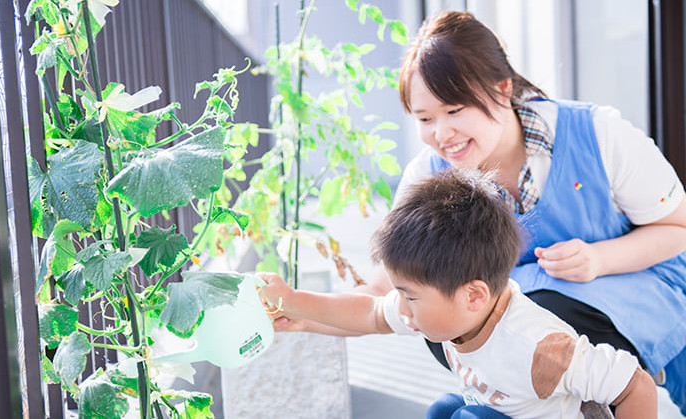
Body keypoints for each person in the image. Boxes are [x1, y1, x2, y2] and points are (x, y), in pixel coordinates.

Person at [275, 10, 686, 413]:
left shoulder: (598, 133)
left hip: (636, 286)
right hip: (518, 324)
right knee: (438, 309)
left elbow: (678, 227)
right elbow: (386, 297)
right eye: (424, 118)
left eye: (454, 111)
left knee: (536, 328)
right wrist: (300, 313)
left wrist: (600, 258)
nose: (441, 134)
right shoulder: (428, 177)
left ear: (503, 88)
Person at [259, 170, 657, 418]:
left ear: (473, 296)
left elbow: (634, 385)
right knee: (445, 410)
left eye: (409, 297)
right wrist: (298, 310)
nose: (400, 307)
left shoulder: (538, 347)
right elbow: (369, 314)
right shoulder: (461, 306)